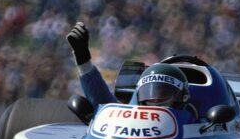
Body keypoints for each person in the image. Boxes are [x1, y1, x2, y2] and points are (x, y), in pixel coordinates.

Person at [66, 21, 197, 119]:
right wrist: (83, 59)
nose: (154, 101)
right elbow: (105, 107)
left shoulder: (193, 124)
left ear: (182, 98)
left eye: (162, 95)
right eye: (149, 94)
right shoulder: (130, 115)